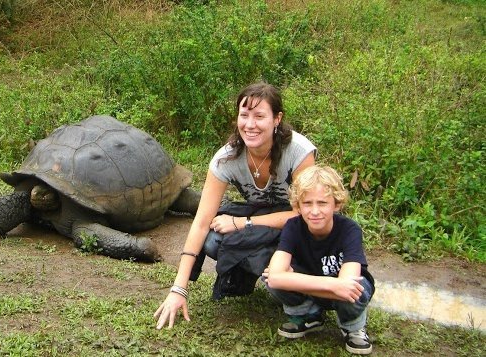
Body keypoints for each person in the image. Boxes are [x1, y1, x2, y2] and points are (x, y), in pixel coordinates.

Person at [153, 82, 316, 329]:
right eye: (244, 115)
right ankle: (253, 275)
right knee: (212, 239)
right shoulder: (226, 159)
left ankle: (303, 295)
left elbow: (305, 214)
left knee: (290, 256)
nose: (250, 125)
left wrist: (243, 223)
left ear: (277, 119)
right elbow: (200, 221)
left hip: (298, 226)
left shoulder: (299, 151)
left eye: (259, 116)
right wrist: (179, 288)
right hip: (263, 221)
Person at [262, 165, 375, 355]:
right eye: (307, 203)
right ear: (297, 206)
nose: (314, 211)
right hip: (326, 286)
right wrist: (332, 285)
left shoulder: (350, 229)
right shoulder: (293, 226)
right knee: (269, 279)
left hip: (343, 293)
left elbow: (347, 286)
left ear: (336, 204)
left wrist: (290, 279)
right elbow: (274, 278)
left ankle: (353, 326)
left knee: (357, 287)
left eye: (322, 203)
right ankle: (308, 315)